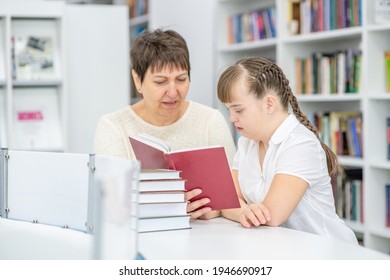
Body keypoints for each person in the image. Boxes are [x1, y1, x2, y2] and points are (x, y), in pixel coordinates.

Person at [94, 28, 236, 220]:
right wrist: (170, 208)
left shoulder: (210, 120)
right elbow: (113, 204)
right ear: (138, 80)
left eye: (181, 79)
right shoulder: (113, 126)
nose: (173, 91)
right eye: (160, 82)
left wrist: (214, 208)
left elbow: (233, 195)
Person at [217, 56, 358, 244]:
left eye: (238, 110)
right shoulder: (246, 143)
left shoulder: (300, 144)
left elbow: (271, 216)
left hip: (326, 254)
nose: (232, 118)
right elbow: (226, 200)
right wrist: (243, 211)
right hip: (279, 249)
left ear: (269, 103)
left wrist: (241, 210)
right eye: (229, 110)